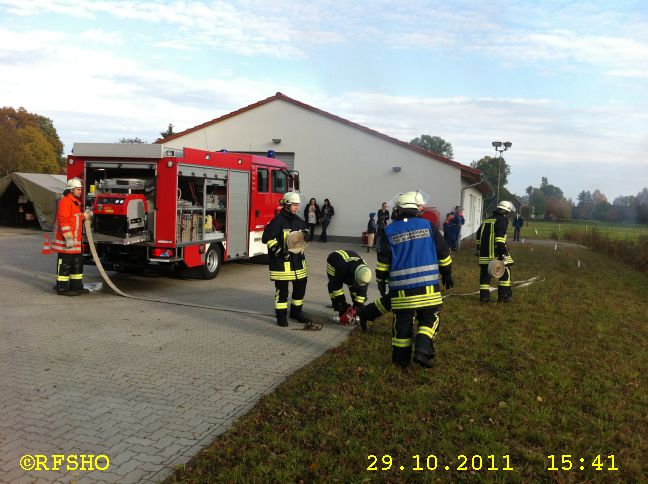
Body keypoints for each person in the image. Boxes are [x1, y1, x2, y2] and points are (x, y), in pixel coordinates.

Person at [372, 191, 453, 369]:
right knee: (430, 318)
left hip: (401, 292)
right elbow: (444, 252)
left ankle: (401, 362)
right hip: (429, 290)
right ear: (416, 209)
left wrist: (380, 280)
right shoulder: (428, 226)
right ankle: (422, 349)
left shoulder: (388, 231)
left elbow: (383, 262)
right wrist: (447, 273)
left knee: (402, 325)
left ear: (398, 210)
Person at [262, 192, 312, 326]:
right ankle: (281, 317)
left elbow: (306, 231)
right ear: (287, 205)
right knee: (282, 292)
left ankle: (296, 313)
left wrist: (307, 235)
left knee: (300, 289)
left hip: (298, 264)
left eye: (297, 205)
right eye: (295, 205)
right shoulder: (277, 221)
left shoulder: (298, 220)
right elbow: (266, 238)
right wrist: (279, 251)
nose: (297, 208)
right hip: (282, 264)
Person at [52, 178, 92, 296]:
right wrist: (68, 237)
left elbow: (73, 217)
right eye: (78, 189)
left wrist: (83, 216)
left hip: (75, 242)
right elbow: (63, 220)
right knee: (65, 264)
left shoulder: (74, 202)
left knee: (77, 263)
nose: (80, 191)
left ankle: (76, 286)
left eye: (80, 189)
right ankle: (62, 288)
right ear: (71, 190)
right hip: (67, 241)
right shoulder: (65, 201)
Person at [476, 200, 514, 303]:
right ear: (506, 212)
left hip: (484, 254)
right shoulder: (502, 220)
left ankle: (484, 298)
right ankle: (504, 296)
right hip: (496, 253)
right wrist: (503, 253)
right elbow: (499, 239)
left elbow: (478, 235)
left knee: (484, 275)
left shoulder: (487, 220)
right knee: (506, 272)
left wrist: (479, 248)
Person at [326, 250, 372, 323]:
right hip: (334, 263)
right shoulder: (341, 268)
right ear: (355, 275)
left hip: (350, 267)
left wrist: (357, 306)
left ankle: (354, 308)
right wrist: (343, 304)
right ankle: (338, 307)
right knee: (333, 287)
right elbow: (337, 288)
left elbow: (362, 291)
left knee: (355, 288)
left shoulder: (365, 273)